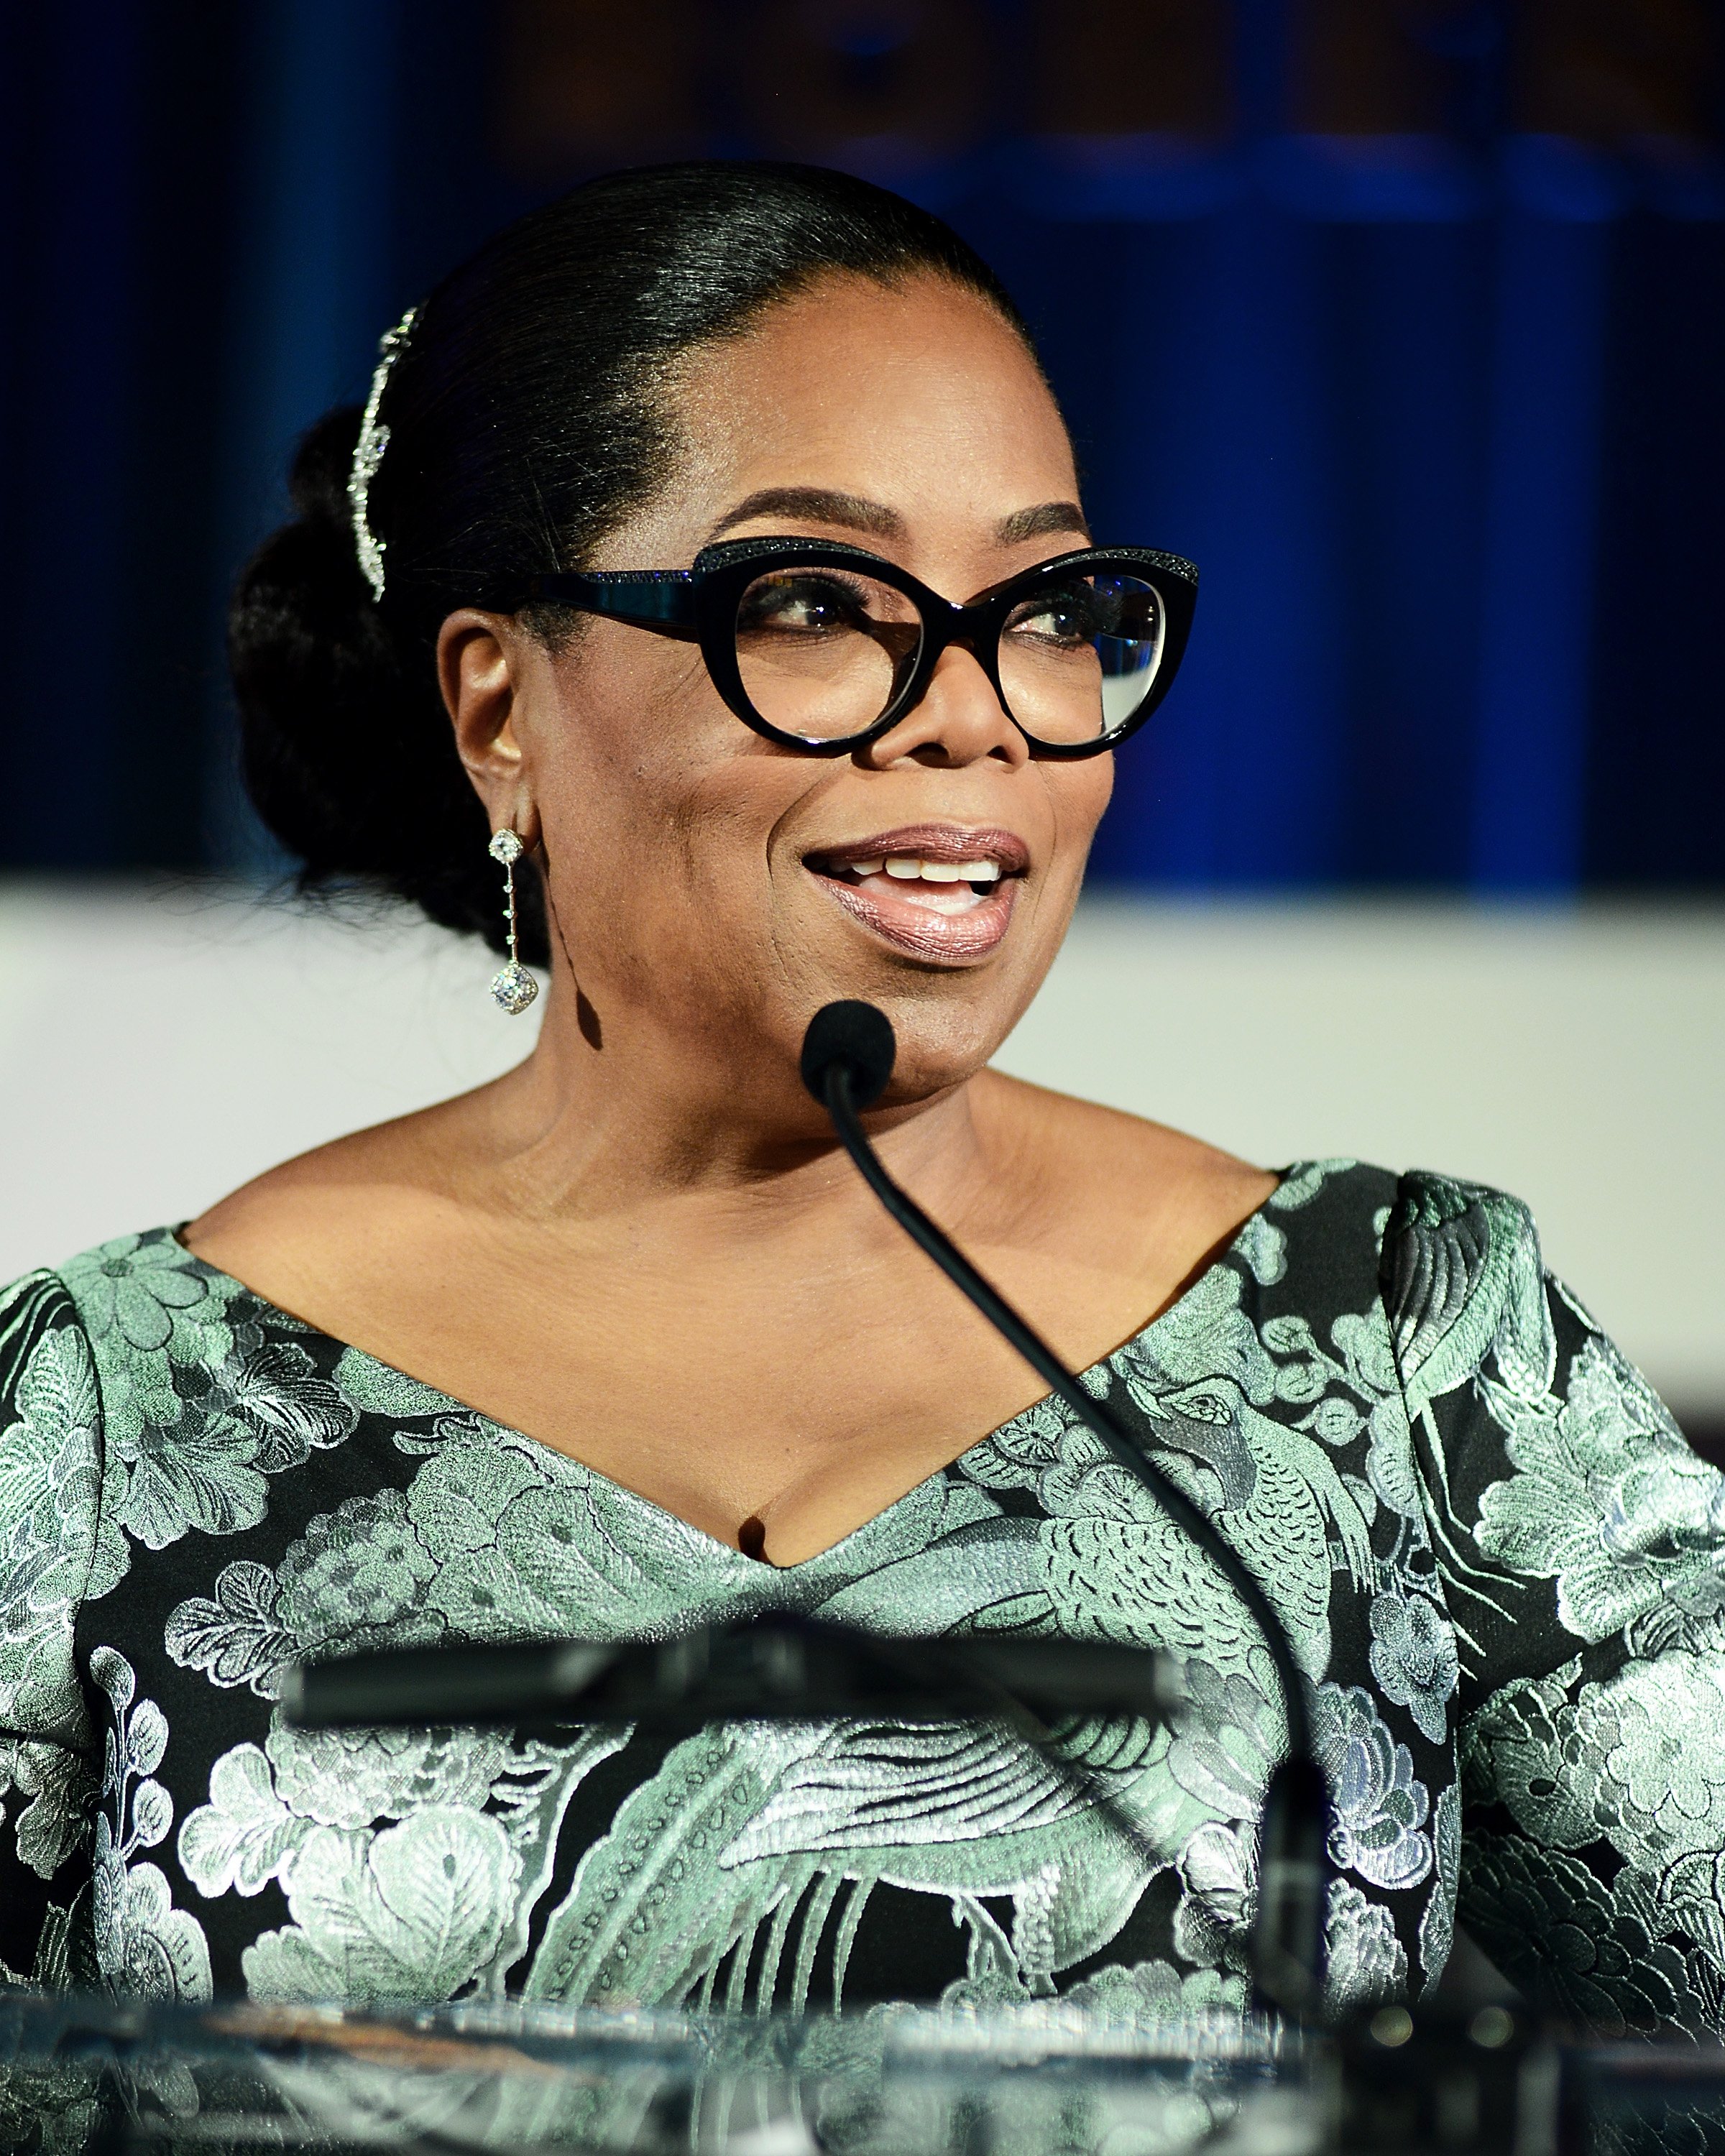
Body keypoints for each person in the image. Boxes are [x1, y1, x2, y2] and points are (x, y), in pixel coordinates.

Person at [1, 161, 1719, 2036]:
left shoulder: (1402, 1345)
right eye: (818, 597)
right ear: (502, 711)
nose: (980, 710)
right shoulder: (108, 1420)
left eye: (1055, 606)